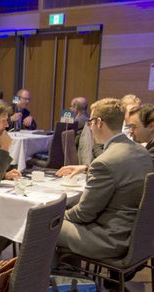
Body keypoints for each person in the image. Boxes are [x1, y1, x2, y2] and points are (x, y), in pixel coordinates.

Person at [56, 98, 152, 263]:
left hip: (110, 239)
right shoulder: (142, 152)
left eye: (90, 122)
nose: (90, 127)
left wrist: (57, 215)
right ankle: (69, 276)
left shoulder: (104, 162)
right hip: (138, 237)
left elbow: (84, 214)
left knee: (43, 225)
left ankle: (41, 283)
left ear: (99, 122)